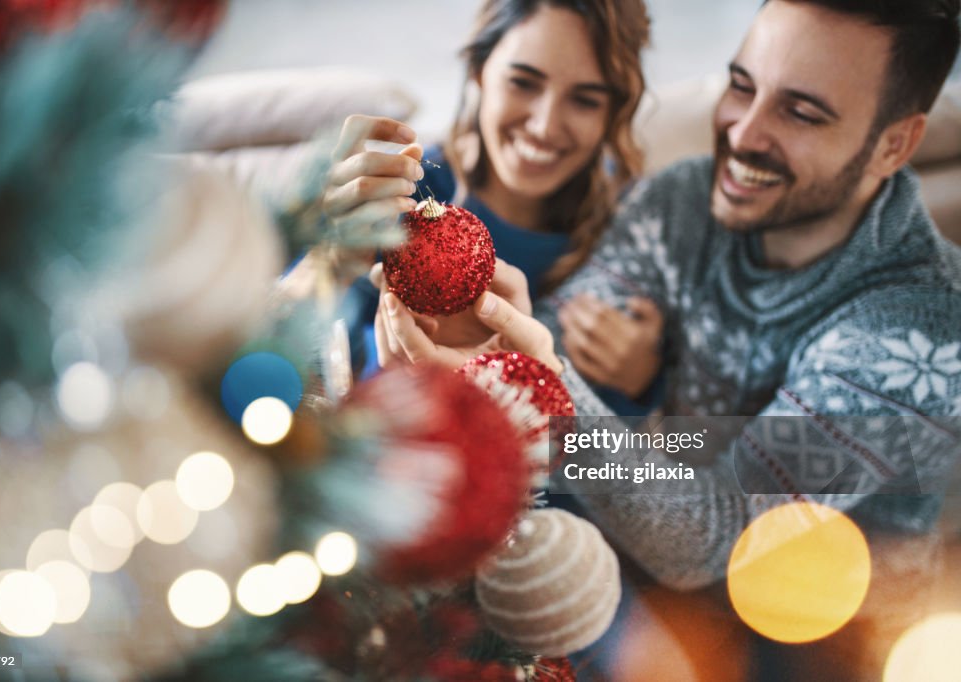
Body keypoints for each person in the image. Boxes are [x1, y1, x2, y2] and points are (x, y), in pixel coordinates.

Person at [376, 0, 961, 675]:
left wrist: (548, 387)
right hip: (623, 582)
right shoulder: (683, 199)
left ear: (896, 144)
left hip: (815, 653)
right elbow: (555, 340)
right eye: (741, 86)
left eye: (801, 112)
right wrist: (431, 315)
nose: (742, 134)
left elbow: (713, 540)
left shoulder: (922, 329)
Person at [323, 0, 664, 413]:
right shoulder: (403, 188)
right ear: (479, 70)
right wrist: (326, 263)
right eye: (523, 82)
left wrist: (646, 380)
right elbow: (291, 359)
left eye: (585, 100)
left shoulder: (635, 224)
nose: (543, 126)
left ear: (613, 112)